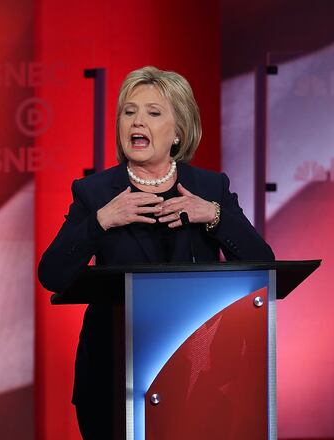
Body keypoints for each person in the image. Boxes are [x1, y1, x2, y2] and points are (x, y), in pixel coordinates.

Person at [38, 66, 275, 439]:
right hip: (112, 374)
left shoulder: (209, 187)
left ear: (178, 131)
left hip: (197, 373)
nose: (137, 121)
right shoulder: (96, 193)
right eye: (129, 111)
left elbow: (264, 262)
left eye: (153, 112)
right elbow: (51, 273)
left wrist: (213, 215)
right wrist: (101, 221)